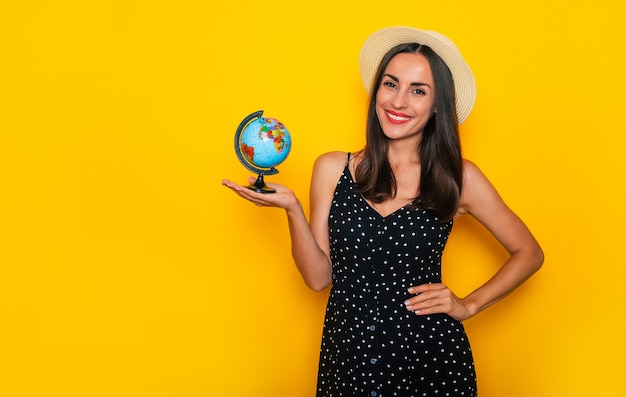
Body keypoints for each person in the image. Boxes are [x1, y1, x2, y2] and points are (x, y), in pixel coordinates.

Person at [222, 26, 543, 397]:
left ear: (437, 105)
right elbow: (317, 278)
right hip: (349, 359)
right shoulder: (331, 169)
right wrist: (292, 209)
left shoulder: (460, 178)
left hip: (430, 360)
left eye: (418, 91)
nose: (399, 101)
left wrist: (468, 304)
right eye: (391, 84)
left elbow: (529, 253)